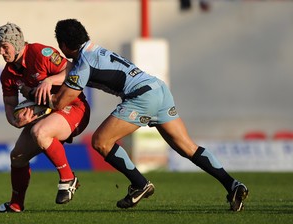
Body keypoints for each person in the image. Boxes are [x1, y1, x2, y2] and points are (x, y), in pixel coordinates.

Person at [50, 18, 249, 211]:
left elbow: (61, 102)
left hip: (141, 97)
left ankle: (140, 183)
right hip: (158, 88)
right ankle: (233, 185)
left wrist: (35, 96)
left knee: (101, 141)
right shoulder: (95, 50)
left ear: (64, 45)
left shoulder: (84, 62)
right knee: (188, 147)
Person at [0, 22, 90, 213]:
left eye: (4, 47)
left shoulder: (40, 53)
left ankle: (68, 178)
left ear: (16, 44)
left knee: (40, 132)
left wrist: (49, 80)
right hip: (48, 112)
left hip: (74, 107)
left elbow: (72, 69)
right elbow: (9, 104)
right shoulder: (8, 74)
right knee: (17, 156)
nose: (1, 52)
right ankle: (16, 205)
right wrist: (14, 121)